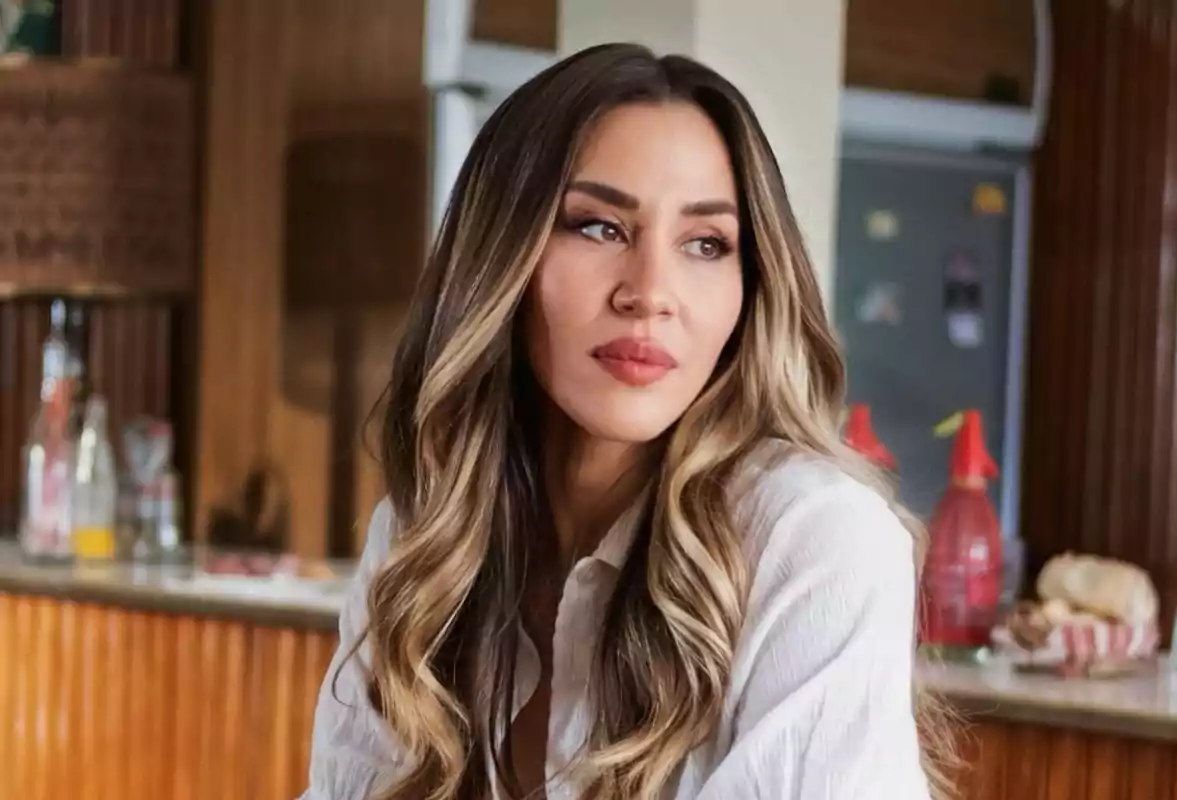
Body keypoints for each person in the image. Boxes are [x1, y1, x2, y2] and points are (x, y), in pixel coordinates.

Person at [302, 43, 950, 800]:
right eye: (599, 227)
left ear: (751, 289)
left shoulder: (815, 541)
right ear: (500, 256)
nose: (651, 292)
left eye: (706, 244)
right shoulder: (427, 538)